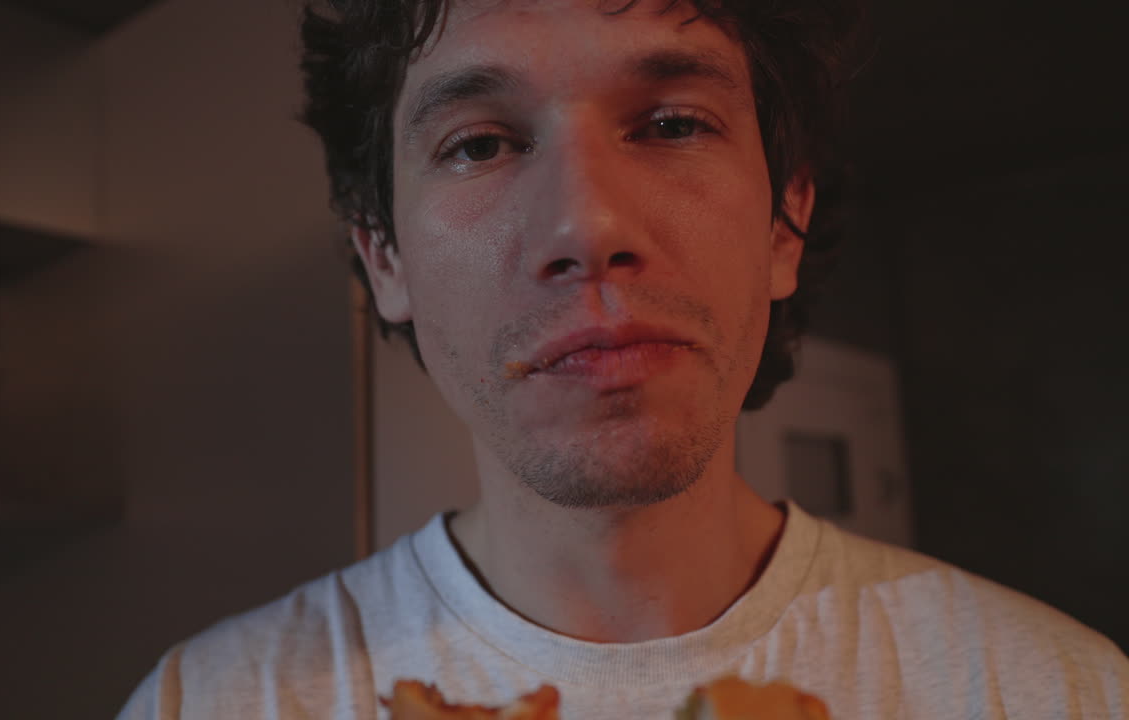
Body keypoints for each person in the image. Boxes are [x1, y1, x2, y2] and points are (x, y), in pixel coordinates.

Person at [117, 1, 1129, 717]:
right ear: (382, 254)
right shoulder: (208, 705)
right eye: (478, 144)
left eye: (672, 124)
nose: (587, 225)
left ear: (785, 220)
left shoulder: (1056, 694)